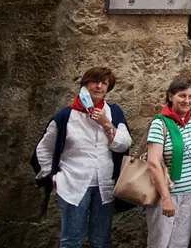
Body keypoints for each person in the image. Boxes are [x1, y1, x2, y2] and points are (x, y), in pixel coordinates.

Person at [33, 67, 132, 248]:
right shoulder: (66, 115)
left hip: (105, 185)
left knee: (101, 242)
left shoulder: (114, 113)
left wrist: (106, 124)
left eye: (104, 83)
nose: (99, 87)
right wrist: (53, 176)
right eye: (95, 81)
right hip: (72, 184)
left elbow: (124, 144)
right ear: (85, 83)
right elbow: (43, 149)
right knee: (71, 241)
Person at [146, 77, 191, 248]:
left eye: (190, 97)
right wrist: (166, 198)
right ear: (171, 96)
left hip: (190, 194)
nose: (187, 100)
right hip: (166, 193)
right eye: (182, 95)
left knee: (180, 243)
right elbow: (153, 163)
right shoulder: (160, 123)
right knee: (160, 243)